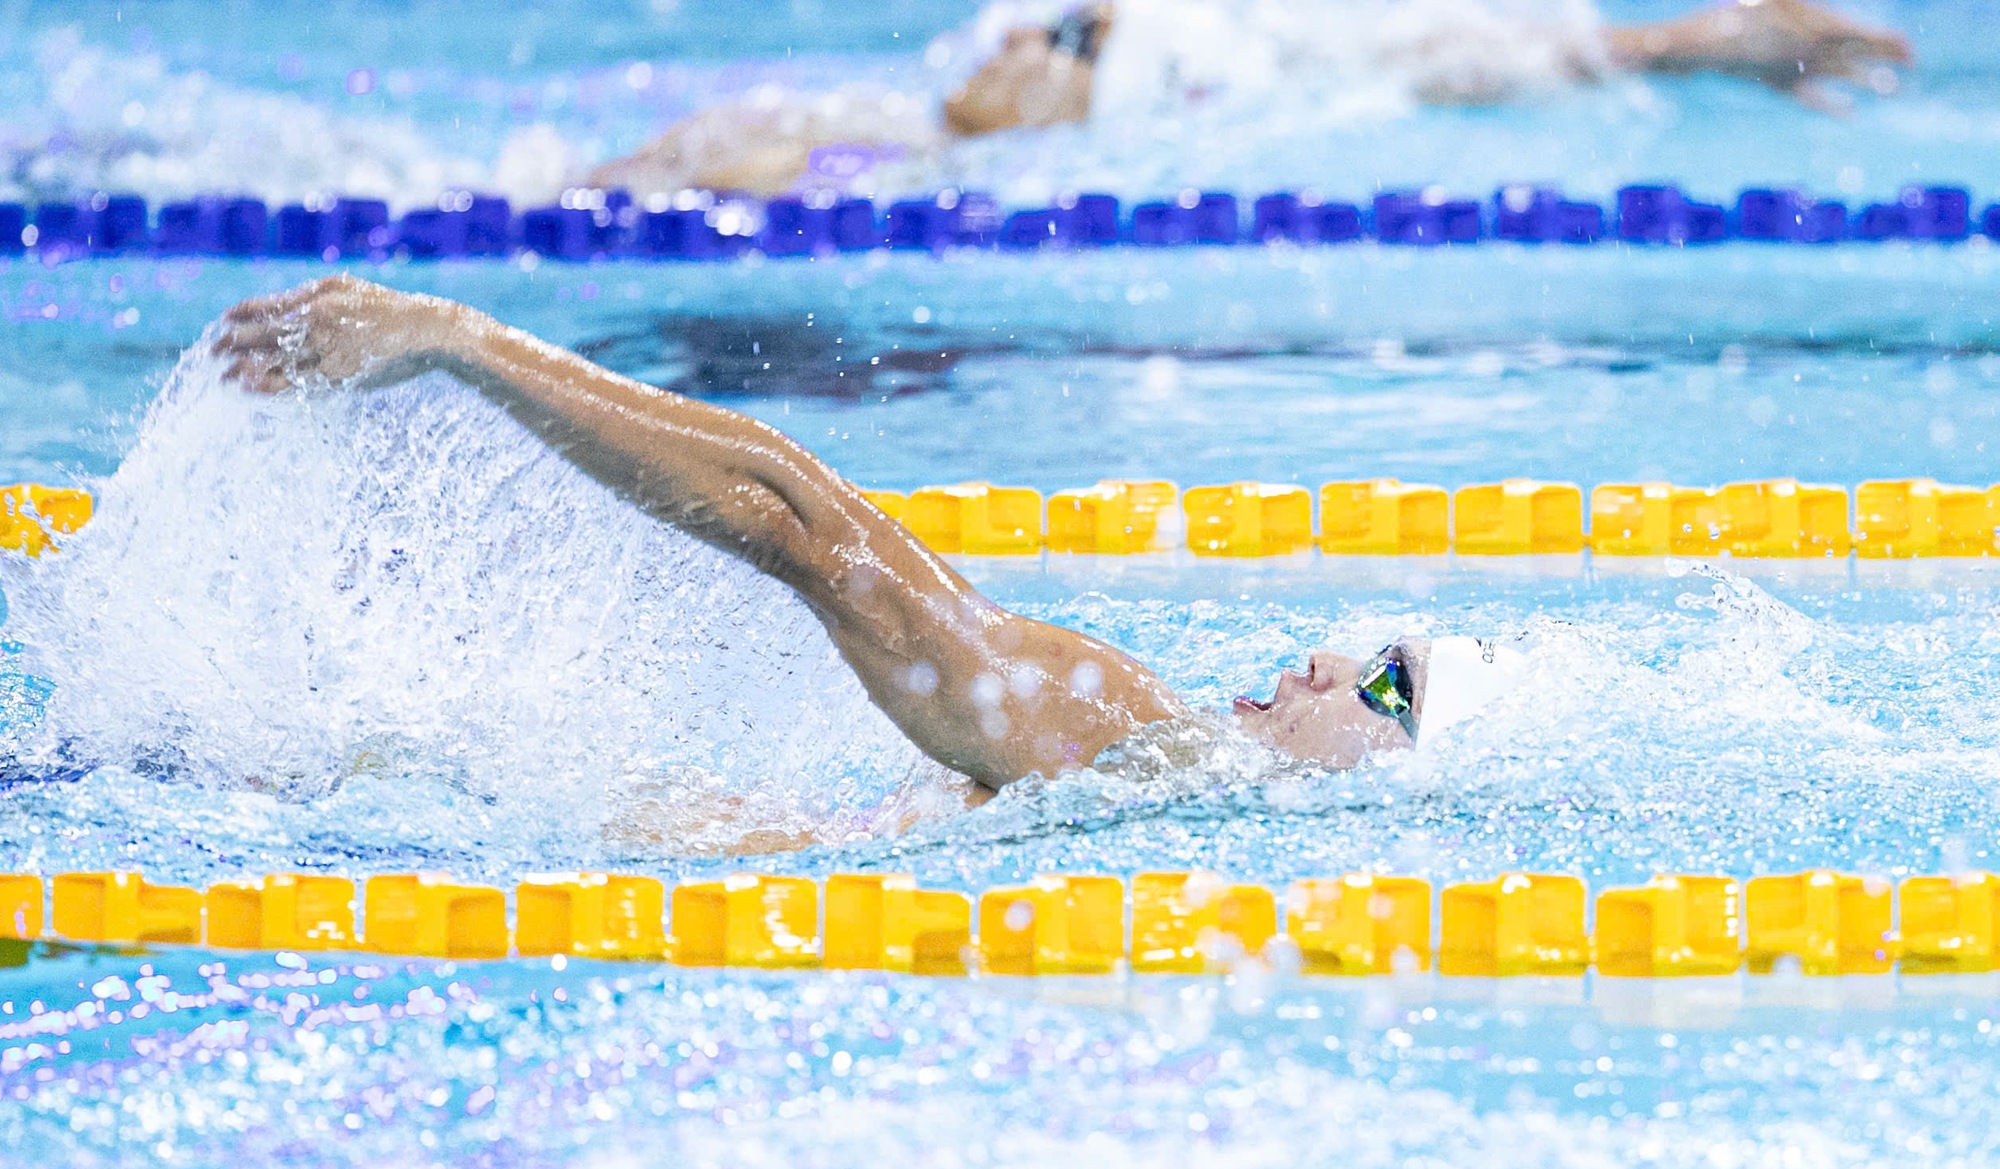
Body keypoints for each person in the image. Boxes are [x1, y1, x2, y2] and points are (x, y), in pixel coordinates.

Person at [210, 276, 1525, 800]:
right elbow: (818, 535)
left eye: (1386, 686)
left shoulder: (1146, 750)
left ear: (1410, 776)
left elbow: (807, 530)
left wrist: (460, 341)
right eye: (1361, 648)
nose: (1323, 662)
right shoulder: (1145, 749)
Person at [587, 0, 1912, 199]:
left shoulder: (1322, 52)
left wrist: (1705, 41)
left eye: (1065, 36)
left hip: (1066, 141)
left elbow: (1486, 60)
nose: (1022, 45)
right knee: (719, 151)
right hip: (1002, 147)